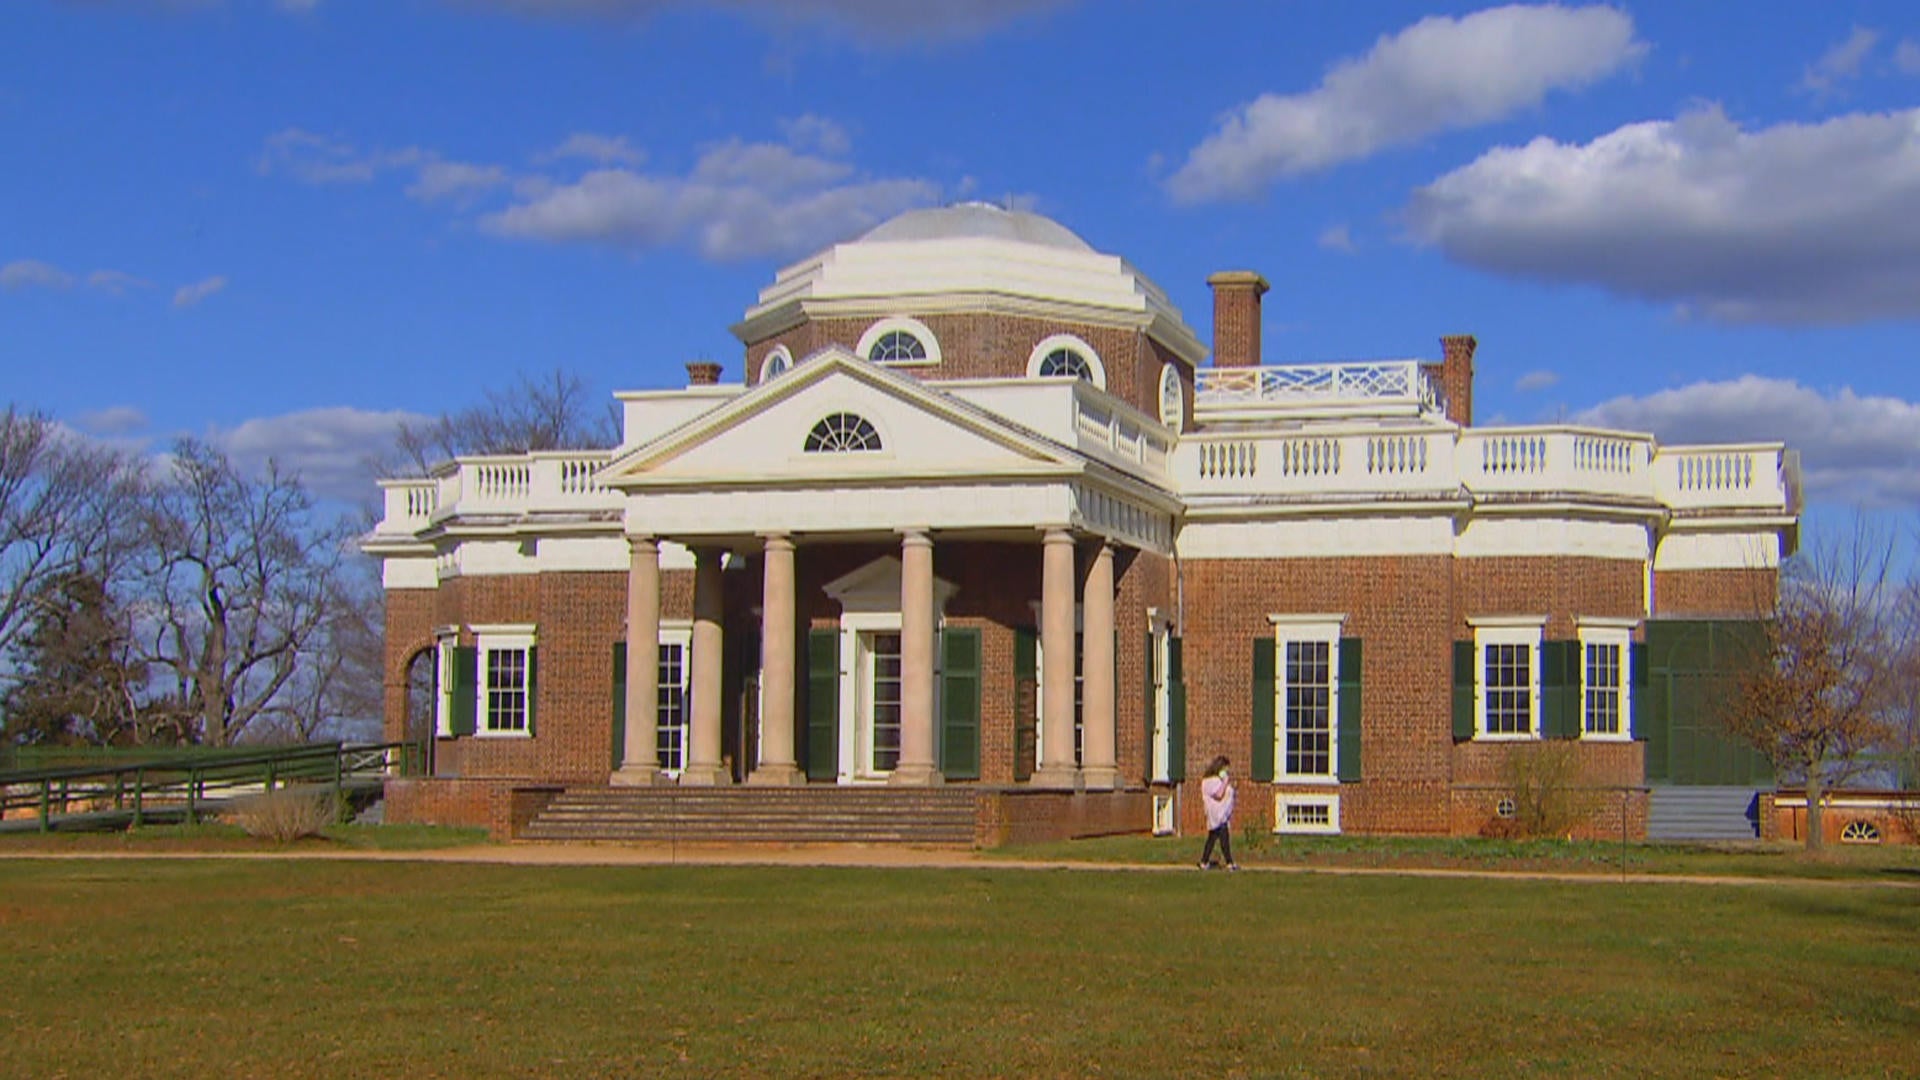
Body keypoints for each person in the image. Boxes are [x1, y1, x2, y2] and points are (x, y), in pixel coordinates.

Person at [1198, 755, 1237, 871]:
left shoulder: (1217, 780)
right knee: (1221, 836)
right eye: (1226, 769)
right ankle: (1229, 862)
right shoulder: (1209, 781)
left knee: (1214, 837)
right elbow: (1219, 794)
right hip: (1216, 813)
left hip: (1222, 813)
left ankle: (1204, 861)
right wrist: (1225, 782)